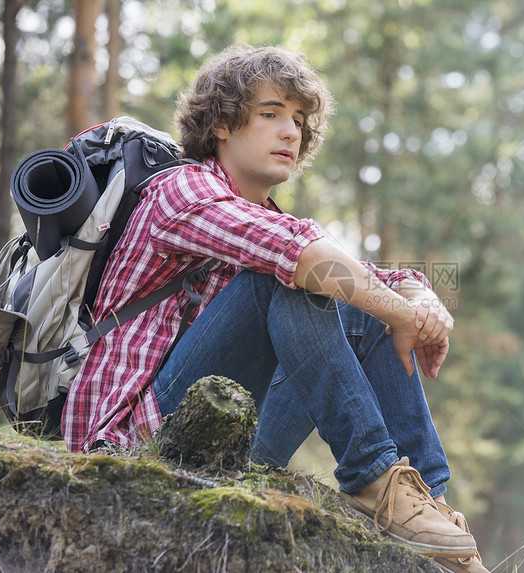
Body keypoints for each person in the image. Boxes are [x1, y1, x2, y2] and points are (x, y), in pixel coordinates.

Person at [61, 44, 488, 572]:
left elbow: (371, 280)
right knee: (286, 280)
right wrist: (400, 311)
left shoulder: (264, 215)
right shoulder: (181, 190)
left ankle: (431, 511)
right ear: (220, 123)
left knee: (353, 300)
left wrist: (417, 298)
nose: (292, 132)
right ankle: (372, 479)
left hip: (227, 432)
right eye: (271, 114)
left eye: (299, 120)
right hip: (130, 443)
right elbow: (302, 259)